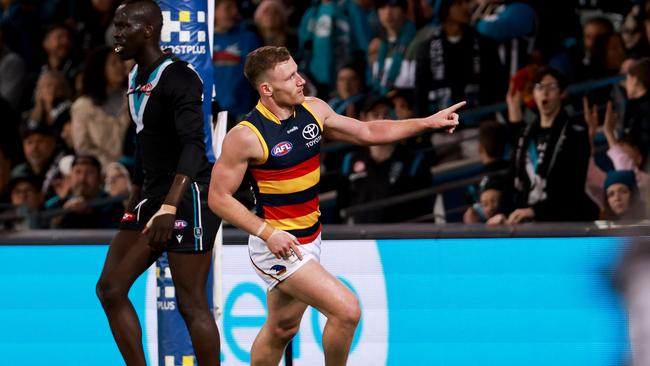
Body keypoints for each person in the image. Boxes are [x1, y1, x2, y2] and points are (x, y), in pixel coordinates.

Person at [208, 45, 463, 366]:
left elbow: (369, 130)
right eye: (290, 77)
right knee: (347, 310)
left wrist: (426, 122)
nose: (301, 80)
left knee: (282, 328)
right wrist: (267, 232)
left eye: (297, 71)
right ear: (267, 89)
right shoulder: (246, 135)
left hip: (310, 237)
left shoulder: (314, 110)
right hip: (276, 246)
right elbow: (217, 197)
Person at [95, 1, 222, 365]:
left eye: (123, 27)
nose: (116, 34)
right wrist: (137, 193)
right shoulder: (137, 76)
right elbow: (144, 138)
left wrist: (169, 206)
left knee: (191, 302)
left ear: (148, 30)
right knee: (110, 289)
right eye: (115, 26)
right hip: (152, 195)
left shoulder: (180, 76)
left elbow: (194, 146)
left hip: (189, 195)